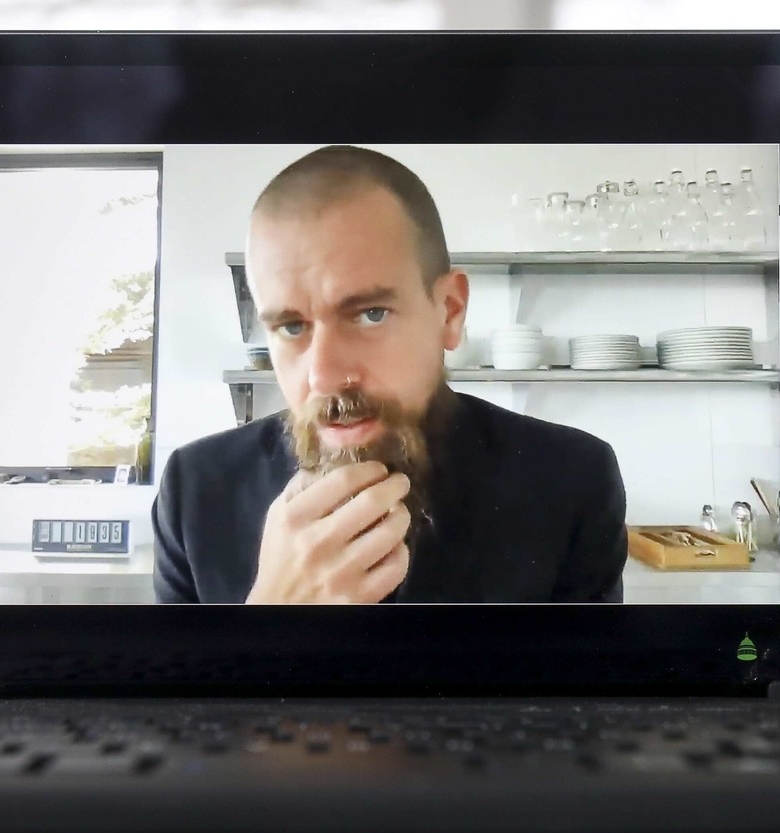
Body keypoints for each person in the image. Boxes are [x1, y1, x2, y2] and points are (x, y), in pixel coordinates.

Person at [153, 145, 627, 604]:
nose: (324, 377)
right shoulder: (195, 495)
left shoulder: (570, 482)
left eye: (370, 314)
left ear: (449, 311)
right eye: (291, 326)